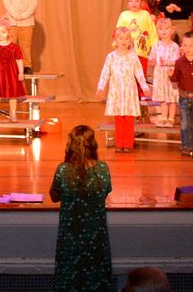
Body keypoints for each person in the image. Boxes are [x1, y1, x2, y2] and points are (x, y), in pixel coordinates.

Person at [50, 124, 114, 292]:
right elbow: (104, 192)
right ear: (92, 144)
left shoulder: (64, 170)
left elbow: (54, 196)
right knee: (96, 280)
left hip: (70, 238)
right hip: (95, 238)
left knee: (69, 281)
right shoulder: (102, 169)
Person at [96, 27, 151, 152]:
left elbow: (139, 74)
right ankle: (119, 144)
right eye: (121, 38)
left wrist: (145, 87)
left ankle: (128, 144)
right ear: (115, 40)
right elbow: (105, 73)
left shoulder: (133, 57)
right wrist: (101, 87)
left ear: (130, 40)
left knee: (128, 119)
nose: (124, 41)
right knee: (119, 119)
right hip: (117, 93)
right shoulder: (111, 57)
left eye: (126, 38)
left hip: (129, 93)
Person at [1, 0, 38, 71]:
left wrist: (24, 15)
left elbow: (34, 2)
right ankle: (10, 65)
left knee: (25, 45)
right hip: (12, 21)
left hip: (26, 21)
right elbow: (6, 0)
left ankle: (26, 65)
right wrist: (15, 14)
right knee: (10, 44)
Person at [0, 18, 25, 122]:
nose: (0, 34)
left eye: (3, 32)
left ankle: (13, 113)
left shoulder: (14, 47)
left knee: (13, 95)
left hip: (12, 74)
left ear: (8, 32)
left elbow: (19, 60)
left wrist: (21, 72)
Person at [115, 0, 157, 75]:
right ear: (128, 2)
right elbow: (118, 32)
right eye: (131, 1)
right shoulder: (124, 15)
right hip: (127, 51)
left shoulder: (145, 14)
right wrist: (117, 45)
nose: (134, 3)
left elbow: (152, 32)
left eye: (137, 1)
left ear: (141, 2)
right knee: (129, 75)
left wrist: (155, 47)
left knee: (141, 76)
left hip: (143, 52)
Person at [147, 17, 179, 127]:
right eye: (161, 29)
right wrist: (152, 60)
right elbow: (152, 58)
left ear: (172, 29)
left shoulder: (174, 46)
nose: (164, 31)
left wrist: (167, 62)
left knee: (172, 98)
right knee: (163, 99)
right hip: (160, 76)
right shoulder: (156, 45)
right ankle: (164, 118)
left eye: (166, 28)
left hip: (170, 76)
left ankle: (171, 119)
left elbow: (177, 61)